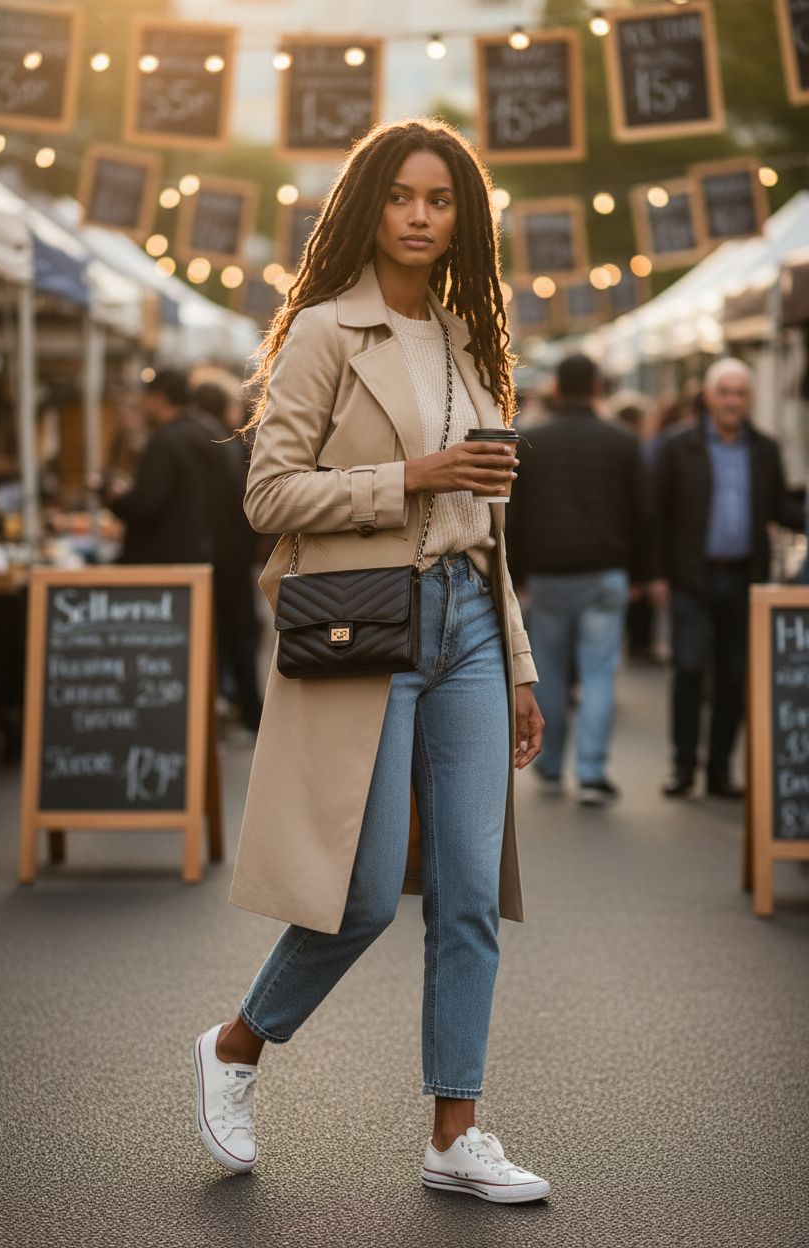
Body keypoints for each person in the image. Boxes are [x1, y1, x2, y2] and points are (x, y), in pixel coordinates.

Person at [192, 118, 551, 1204]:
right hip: (364, 628)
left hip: (471, 627)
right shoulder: (322, 331)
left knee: (468, 892)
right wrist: (409, 475)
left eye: (441, 200)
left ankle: (456, 1133)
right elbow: (268, 495)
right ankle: (234, 1047)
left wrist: (522, 661)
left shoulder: (467, 337)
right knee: (356, 899)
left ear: (462, 217)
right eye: (402, 195)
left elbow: (488, 527)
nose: (420, 216)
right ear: (368, 203)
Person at [505, 353, 657, 806]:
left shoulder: (531, 442)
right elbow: (643, 513)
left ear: (555, 388)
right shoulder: (622, 441)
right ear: (595, 387)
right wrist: (642, 575)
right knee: (599, 672)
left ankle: (550, 764)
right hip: (606, 571)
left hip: (549, 574)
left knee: (548, 670)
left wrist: (517, 576)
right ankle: (591, 772)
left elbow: (516, 516)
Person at [653, 357, 804, 798]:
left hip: (745, 581)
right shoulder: (678, 447)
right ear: (709, 397)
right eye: (726, 392)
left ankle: (720, 770)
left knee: (735, 676)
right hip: (691, 579)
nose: (733, 401)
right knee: (689, 669)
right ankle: (683, 767)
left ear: (749, 400)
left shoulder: (765, 449)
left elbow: (780, 509)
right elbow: (656, 516)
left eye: (741, 393)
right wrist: (657, 575)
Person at [191, 381, 263, 735]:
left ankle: (240, 703)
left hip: (220, 550)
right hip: (235, 550)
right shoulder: (226, 442)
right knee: (241, 631)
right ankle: (247, 705)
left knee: (232, 630)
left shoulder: (211, 441)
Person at [106, 369, 213, 565]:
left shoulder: (166, 441)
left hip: (164, 560)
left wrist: (117, 499)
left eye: (146, 398)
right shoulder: (203, 431)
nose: (143, 405)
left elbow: (146, 503)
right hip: (197, 553)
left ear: (160, 399)